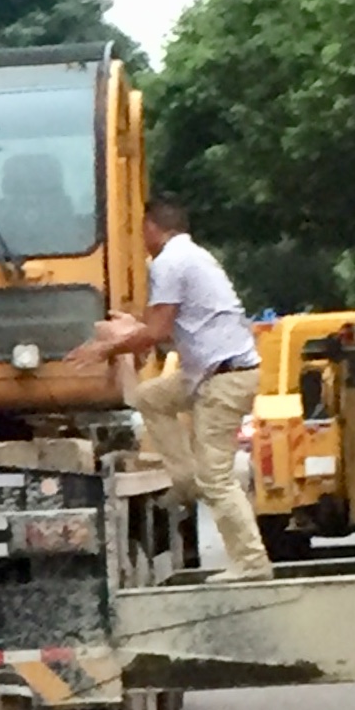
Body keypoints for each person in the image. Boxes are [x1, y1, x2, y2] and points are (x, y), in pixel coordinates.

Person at [71, 199, 272, 581]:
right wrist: (133, 330)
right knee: (150, 397)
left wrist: (106, 348)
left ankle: (251, 562)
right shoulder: (192, 256)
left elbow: (158, 331)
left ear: (151, 226)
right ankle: (184, 478)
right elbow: (162, 328)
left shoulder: (168, 262)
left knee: (217, 477)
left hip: (223, 378)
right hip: (213, 371)